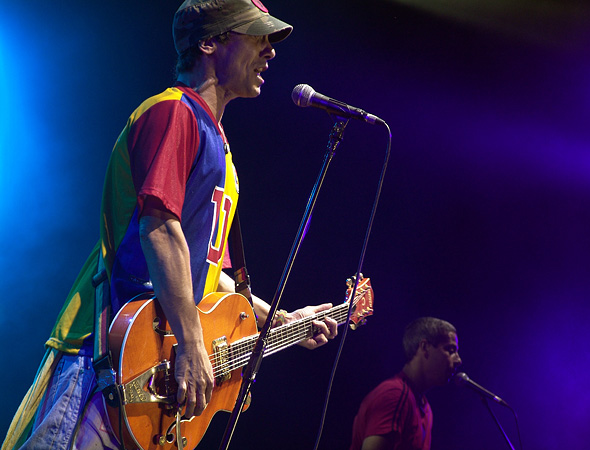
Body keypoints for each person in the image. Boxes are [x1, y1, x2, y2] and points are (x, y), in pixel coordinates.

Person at [2, 1, 338, 449]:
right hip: (107, 356)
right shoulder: (173, 112)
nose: (270, 51)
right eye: (256, 36)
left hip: (150, 366)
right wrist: (192, 342)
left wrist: (284, 319)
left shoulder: (222, 152)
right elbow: (159, 228)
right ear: (209, 42)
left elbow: (207, 272)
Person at [350, 317, 462, 450]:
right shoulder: (394, 396)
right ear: (425, 347)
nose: (458, 360)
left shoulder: (424, 406)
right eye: (450, 350)